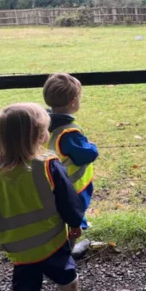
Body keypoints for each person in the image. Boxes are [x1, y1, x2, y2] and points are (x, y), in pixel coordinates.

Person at [0, 103, 85, 291]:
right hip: (52, 241)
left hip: (18, 248)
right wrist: (75, 223)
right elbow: (68, 200)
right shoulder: (47, 166)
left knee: (26, 283)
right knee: (64, 271)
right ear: (40, 136)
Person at [43, 73, 98, 257]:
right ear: (74, 101)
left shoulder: (41, 124)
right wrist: (92, 146)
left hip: (46, 181)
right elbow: (86, 155)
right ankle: (69, 250)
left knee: (55, 216)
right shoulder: (69, 133)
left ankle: (51, 247)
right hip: (71, 188)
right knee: (72, 217)